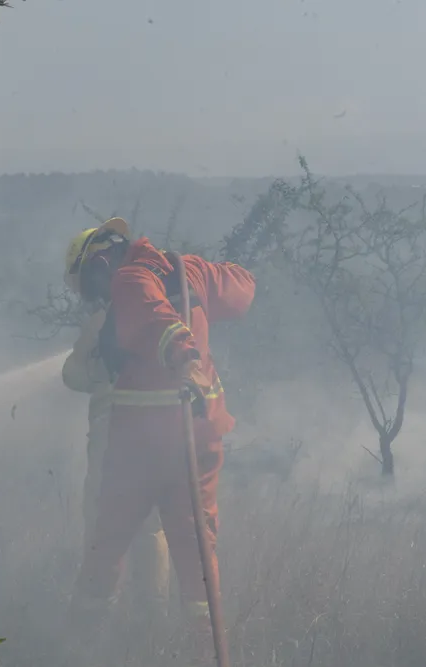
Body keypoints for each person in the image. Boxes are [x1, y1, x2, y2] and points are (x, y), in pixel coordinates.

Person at [61, 217, 256, 654]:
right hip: (200, 438)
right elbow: (242, 290)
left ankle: (78, 648)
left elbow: (158, 322)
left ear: (99, 263)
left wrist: (185, 359)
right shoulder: (187, 271)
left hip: (142, 446)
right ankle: (207, 652)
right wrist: (216, 275)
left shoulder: (127, 279)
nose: (99, 298)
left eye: (91, 287)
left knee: (106, 542)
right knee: (197, 557)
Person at [60, 303, 171, 620]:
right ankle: (153, 615)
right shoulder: (161, 313)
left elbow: (74, 375)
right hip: (158, 431)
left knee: (102, 521)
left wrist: (83, 345)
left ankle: (96, 615)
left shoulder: (104, 318)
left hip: (112, 433)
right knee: (151, 526)